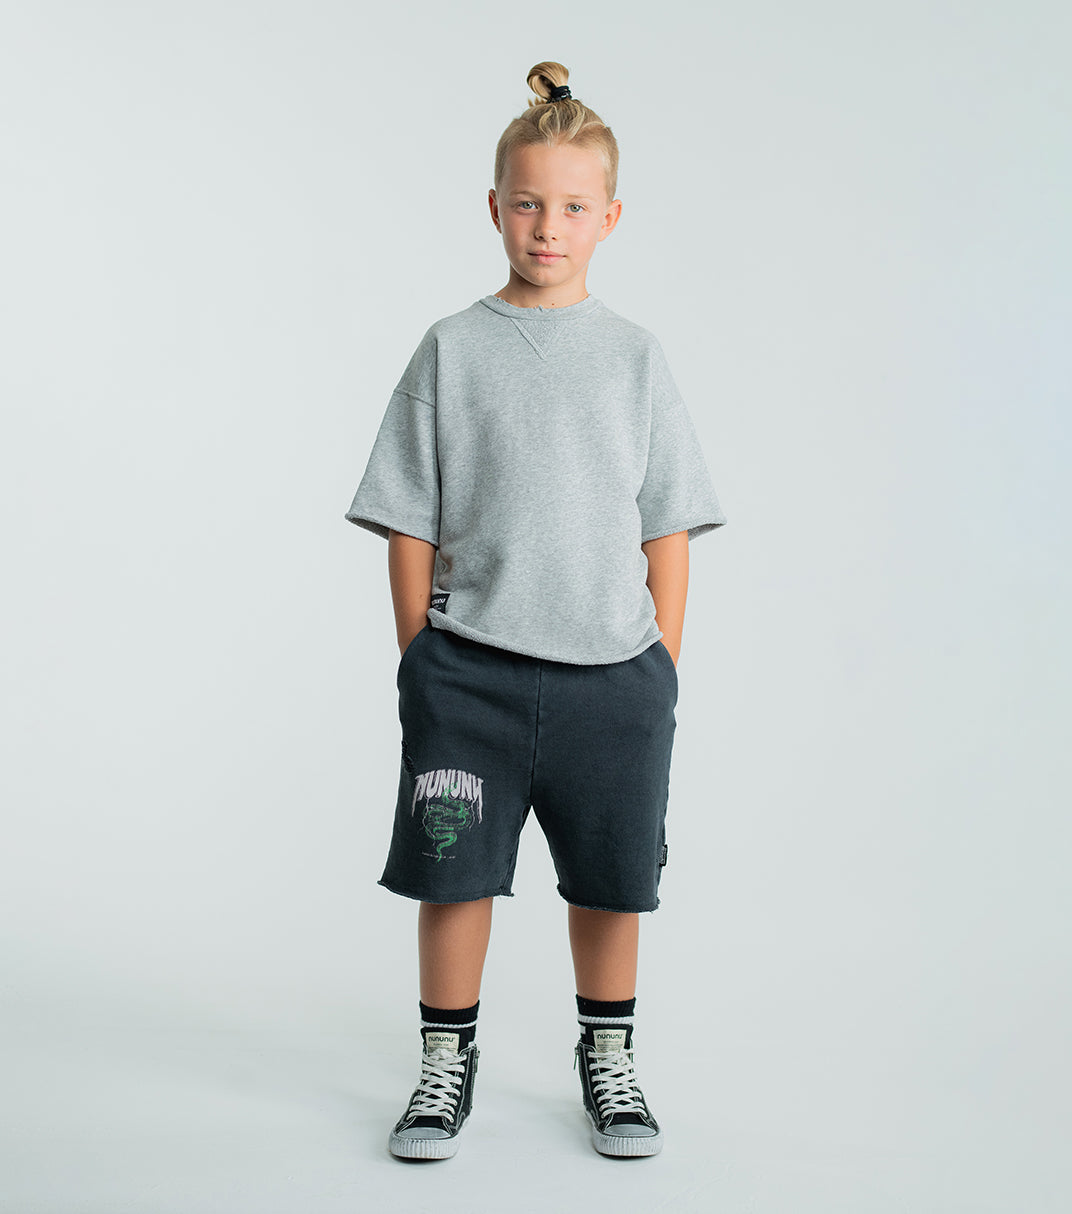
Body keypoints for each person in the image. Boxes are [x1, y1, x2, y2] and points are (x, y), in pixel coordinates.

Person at [345, 60, 726, 1160]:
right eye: (526, 203)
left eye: (570, 207)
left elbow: (666, 524)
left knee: (612, 880)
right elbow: (408, 517)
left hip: (615, 678)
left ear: (609, 217)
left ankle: (609, 1058)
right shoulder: (451, 349)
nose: (546, 227)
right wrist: (421, 657)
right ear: (493, 207)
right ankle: (443, 1063)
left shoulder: (635, 358)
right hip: (469, 675)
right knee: (452, 872)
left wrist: (659, 665)